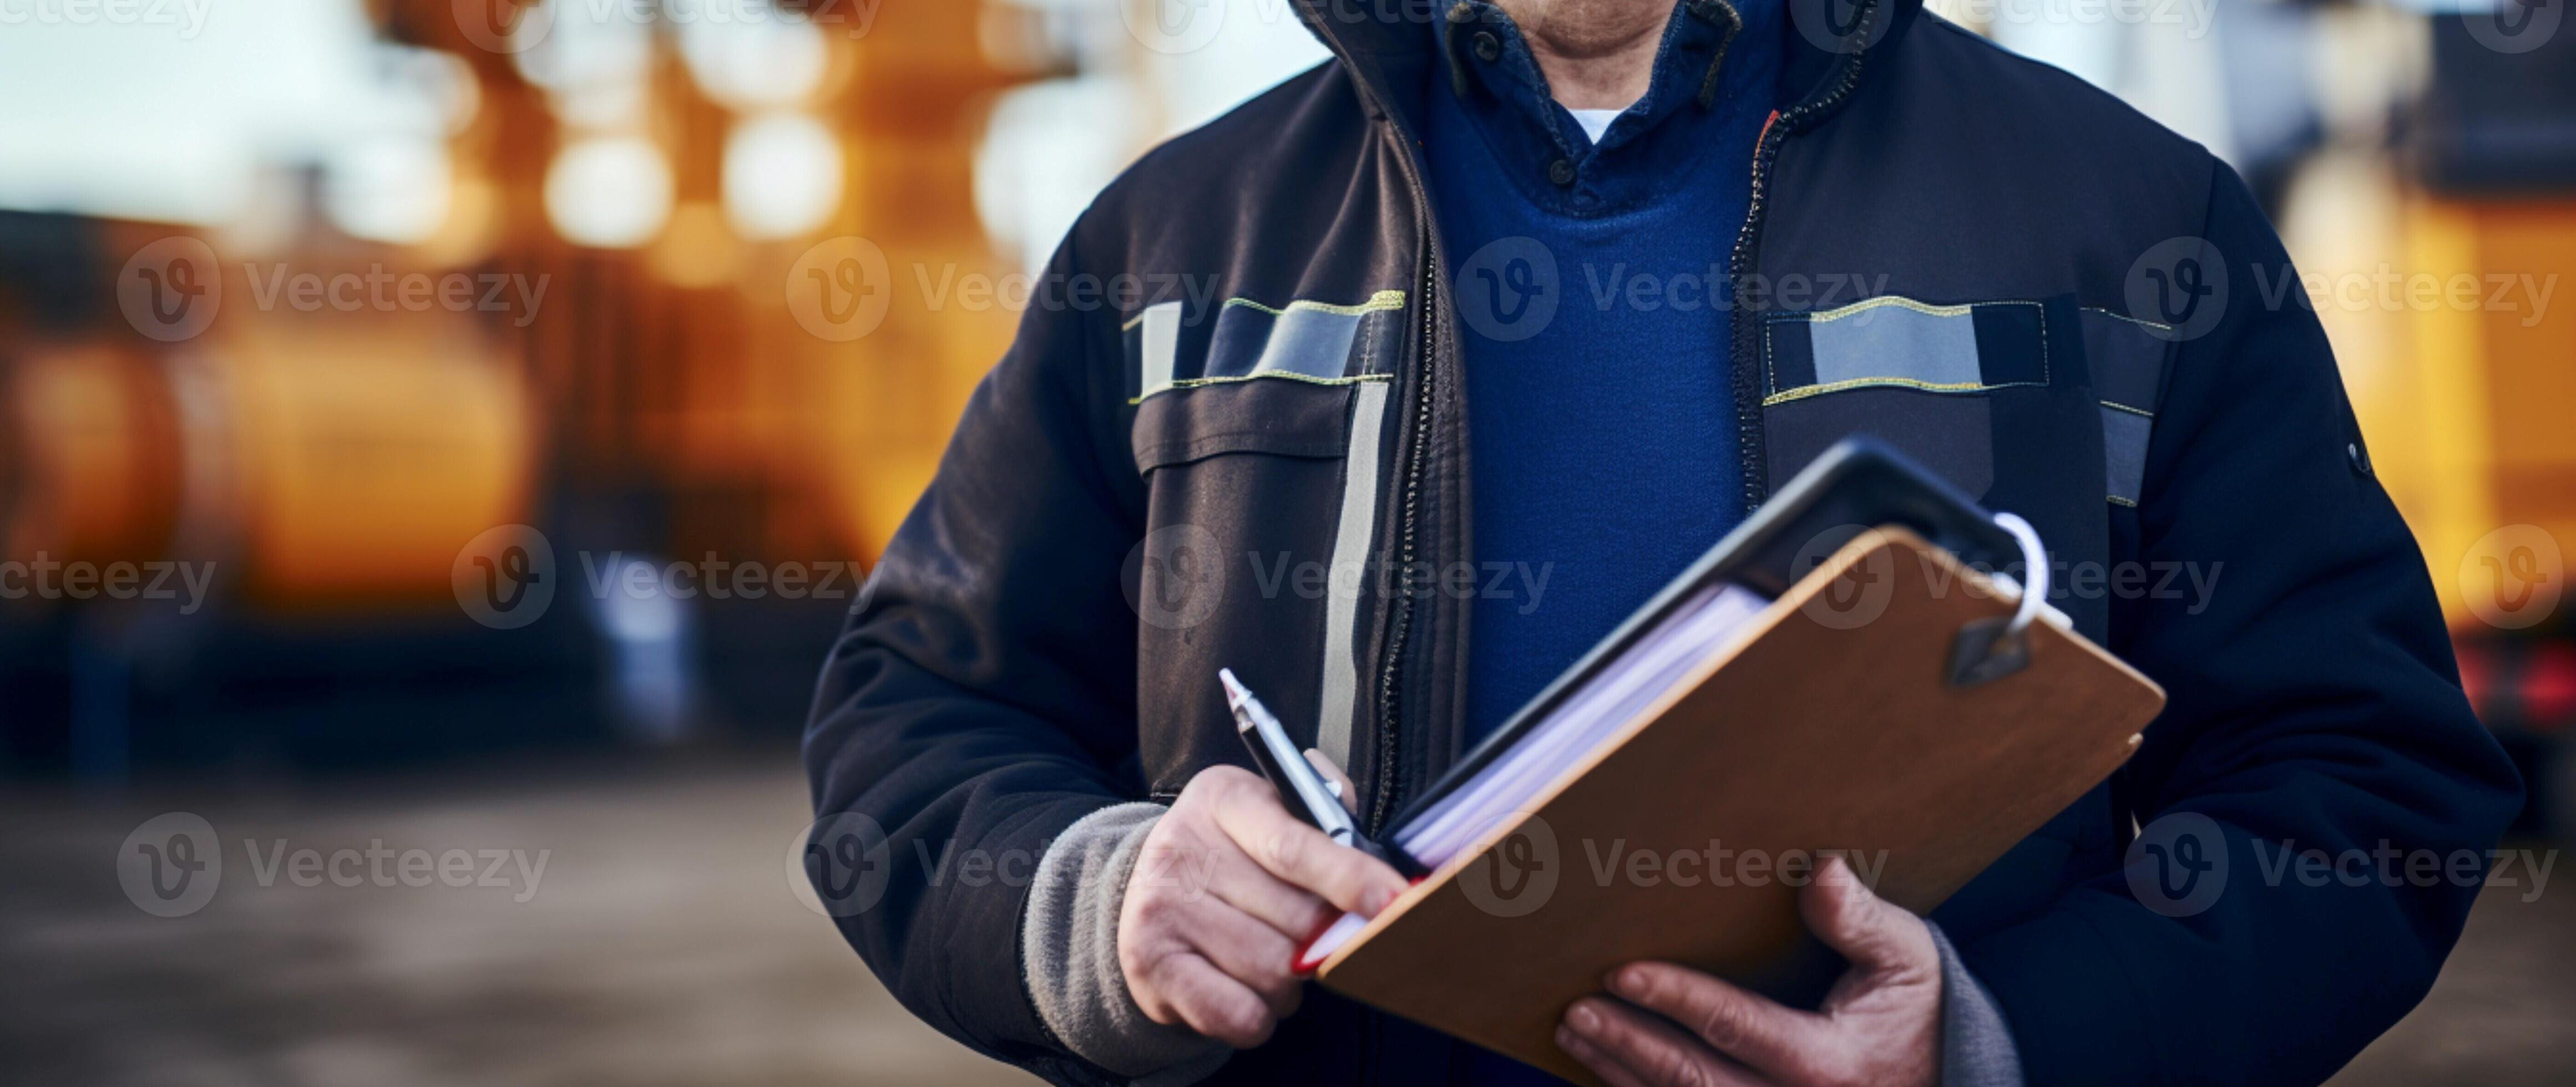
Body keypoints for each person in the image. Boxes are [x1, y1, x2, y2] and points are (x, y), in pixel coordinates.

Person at [802, 0, 2524, 1083]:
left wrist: (1996, 1044)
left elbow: (2358, 782)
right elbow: (912, 724)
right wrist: (1094, 902)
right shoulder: (1170, 239)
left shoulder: (2132, 220)